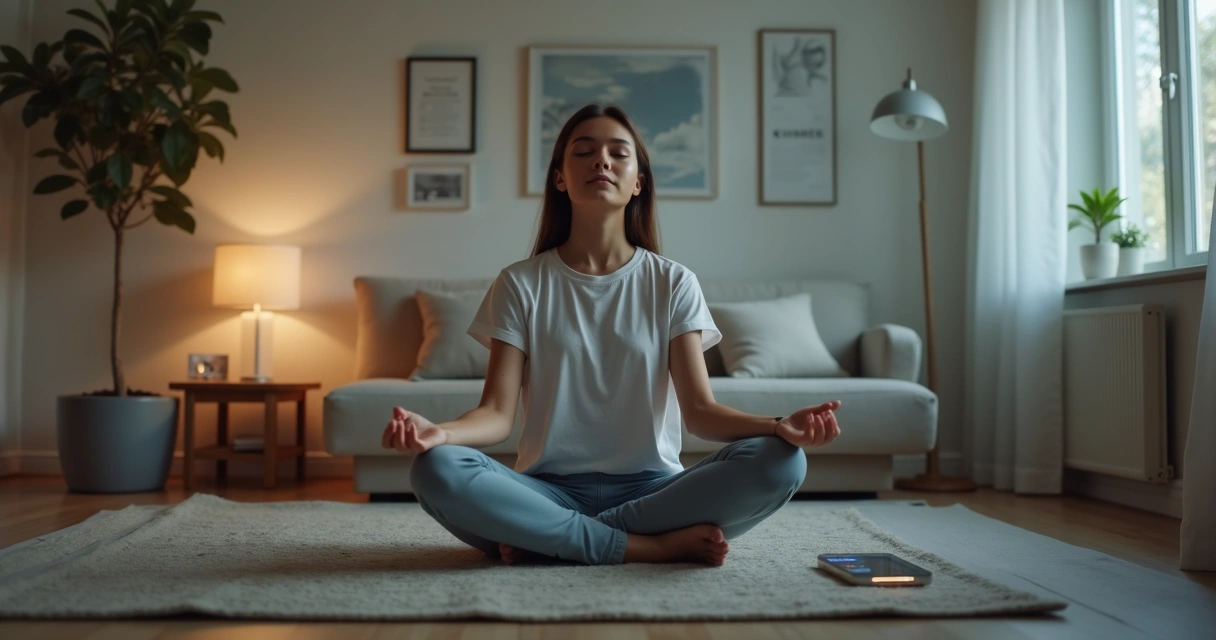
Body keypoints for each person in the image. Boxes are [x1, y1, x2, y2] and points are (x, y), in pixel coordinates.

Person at [380, 104, 842, 566]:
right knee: (437, 467)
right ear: (560, 177)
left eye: (618, 153)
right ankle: (643, 547)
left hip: (654, 493)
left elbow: (700, 413)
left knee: (783, 461)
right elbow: (497, 416)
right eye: (583, 152)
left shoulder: (673, 282)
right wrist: (438, 433)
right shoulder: (520, 283)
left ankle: (553, 541)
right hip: (547, 491)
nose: (601, 161)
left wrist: (778, 426)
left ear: (638, 181)